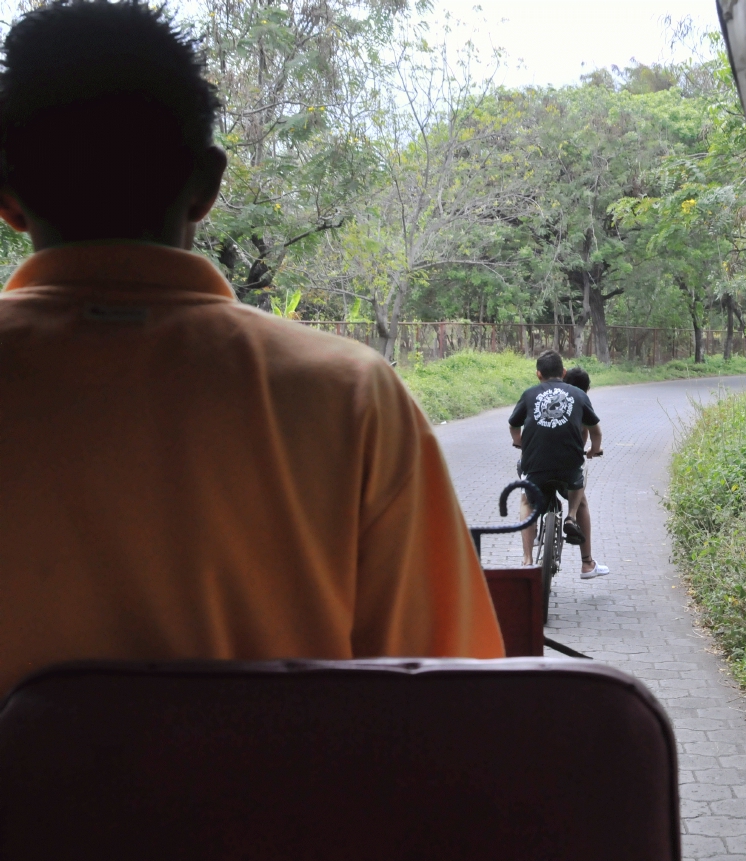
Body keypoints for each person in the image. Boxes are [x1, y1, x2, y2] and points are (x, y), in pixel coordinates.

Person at [0, 0, 503, 696]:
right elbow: (452, 705)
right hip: (292, 808)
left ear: (8, 193)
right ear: (206, 185)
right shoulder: (351, 396)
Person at [509, 351, 609, 578]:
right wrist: (594, 449)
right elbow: (595, 431)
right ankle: (586, 563)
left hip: (536, 464)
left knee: (527, 500)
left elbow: (514, 426)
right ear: (563, 373)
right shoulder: (578, 395)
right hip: (568, 466)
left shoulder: (528, 394)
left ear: (538, 374)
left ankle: (526, 562)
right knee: (580, 499)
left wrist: (520, 443)